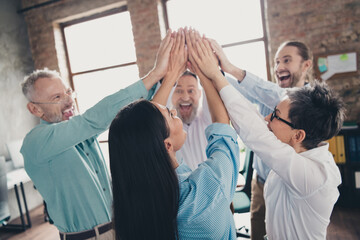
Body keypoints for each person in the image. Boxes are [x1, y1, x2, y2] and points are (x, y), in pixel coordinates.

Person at [20, 30, 175, 239]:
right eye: (57, 97)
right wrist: (153, 75)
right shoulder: (36, 142)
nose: (68, 100)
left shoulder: (82, 134)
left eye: (68, 92)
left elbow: (128, 113)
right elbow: (92, 120)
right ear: (35, 110)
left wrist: (165, 76)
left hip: (120, 230)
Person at [191, 30, 345, 239]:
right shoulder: (297, 146)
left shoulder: (315, 175)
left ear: (298, 135)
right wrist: (209, 74)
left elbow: (255, 131)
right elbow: (255, 117)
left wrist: (214, 75)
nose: (266, 120)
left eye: (274, 115)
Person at [109, 28, 240, 240]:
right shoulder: (208, 189)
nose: (174, 109)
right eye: (171, 114)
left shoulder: (132, 203)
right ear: (167, 146)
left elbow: (145, 128)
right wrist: (208, 73)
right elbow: (223, 128)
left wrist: (168, 76)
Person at [210, 39, 314, 239]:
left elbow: (273, 93)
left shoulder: (309, 101)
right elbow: (240, 92)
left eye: (286, 60)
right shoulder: (269, 95)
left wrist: (226, 68)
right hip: (262, 179)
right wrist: (212, 73)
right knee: (258, 227)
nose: (279, 67)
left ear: (306, 64)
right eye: (276, 62)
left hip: (290, 185)